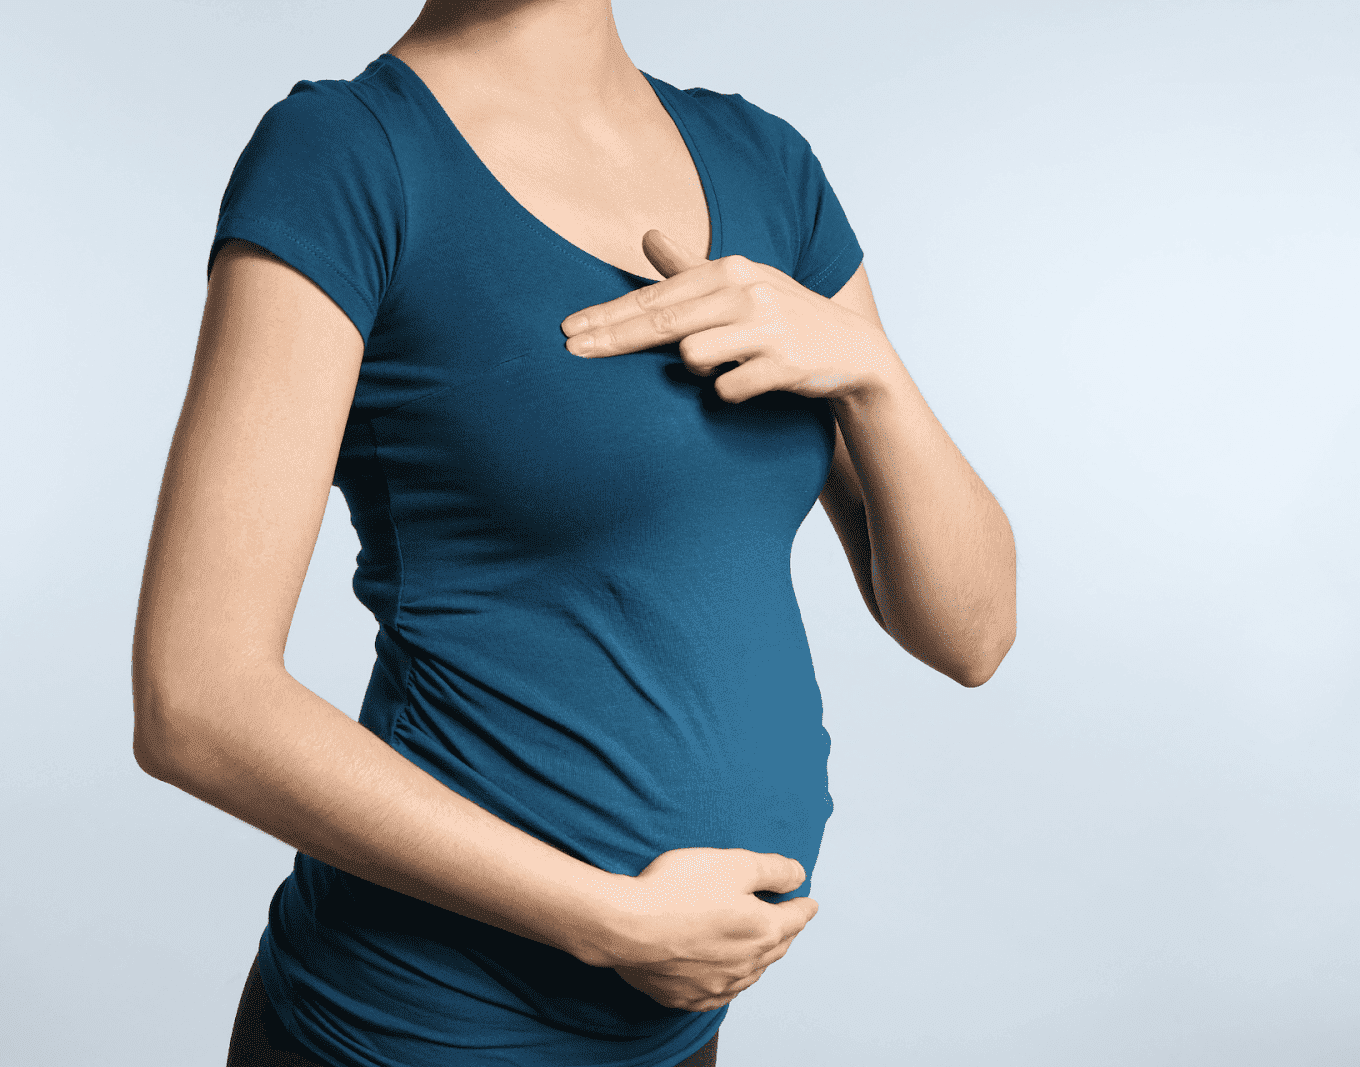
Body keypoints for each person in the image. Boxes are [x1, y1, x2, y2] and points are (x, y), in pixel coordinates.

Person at [131, 0, 1017, 1064]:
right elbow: (197, 699)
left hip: (671, 1037)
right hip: (411, 1032)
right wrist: (610, 918)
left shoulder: (767, 166)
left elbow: (970, 634)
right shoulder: (350, 156)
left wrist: (872, 375)